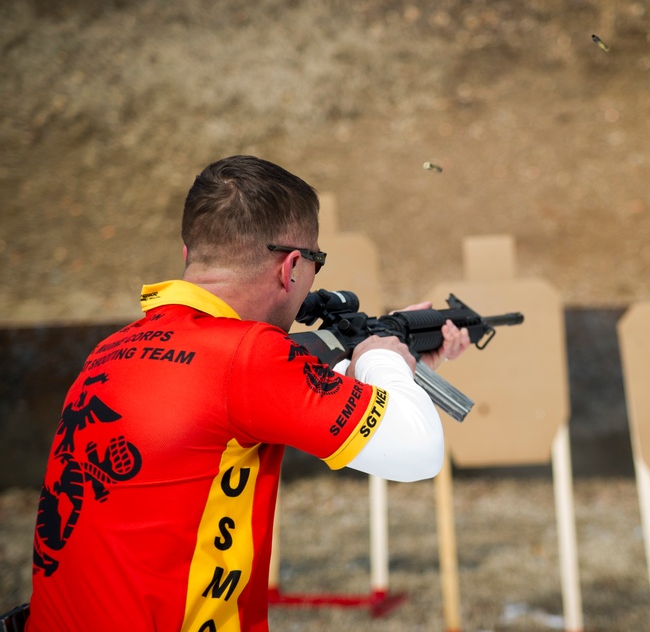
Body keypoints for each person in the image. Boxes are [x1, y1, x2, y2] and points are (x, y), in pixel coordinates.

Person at [25, 155, 470, 631]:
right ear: (292, 267)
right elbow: (418, 452)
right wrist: (383, 358)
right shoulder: (248, 356)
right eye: (316, 263)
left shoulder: (112, 350)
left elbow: (267, 391)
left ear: (189, 255)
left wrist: (396, 374)